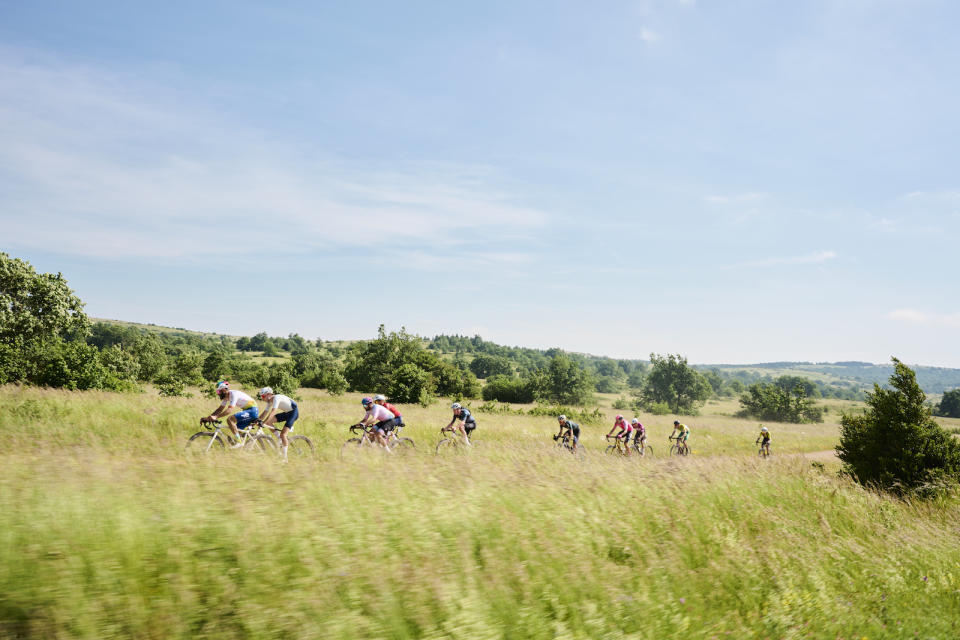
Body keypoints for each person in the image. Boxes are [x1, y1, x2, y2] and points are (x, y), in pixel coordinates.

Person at [202, 381, 259, 448]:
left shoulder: (234, 394)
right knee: (236, 429)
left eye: (218, 392)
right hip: (248, 410)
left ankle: (239, 442)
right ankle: (243, 446)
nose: (218, 394)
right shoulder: (226, 397)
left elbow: (229, 410)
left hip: (252, 410)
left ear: (224, 390)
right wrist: (209, 418)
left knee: (230, 419)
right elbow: (220, 409)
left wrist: (216, 417)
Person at [257, 387, 298, 461]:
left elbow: (272, 412)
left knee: (283, 434)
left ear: (268, 394)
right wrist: (257, 420)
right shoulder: (269, 402)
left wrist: (263, 423)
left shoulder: (276, 398)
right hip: (286, 413)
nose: (262, 398)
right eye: (261, 396)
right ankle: (279, 437)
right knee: (269, 423)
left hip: (293, 413)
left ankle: (285, 459)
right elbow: (265, 412)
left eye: (263, 396)